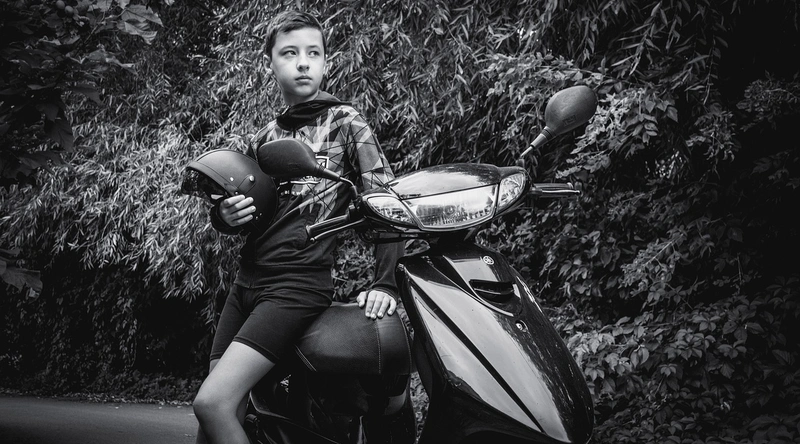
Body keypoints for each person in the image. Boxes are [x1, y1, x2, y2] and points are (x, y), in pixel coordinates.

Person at [192, 10, 404, 444]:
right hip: (247, 283)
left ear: (326, 62)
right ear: (270, 62)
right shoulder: (265, 136)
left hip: (297, 284)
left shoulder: (346, 122)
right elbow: (252, 215)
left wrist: (386, 283)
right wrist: (224, 216)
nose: (303, 62)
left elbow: (386, 203)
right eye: (290, 53)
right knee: (218, 417)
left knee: (212, 404)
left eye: (314, 53)